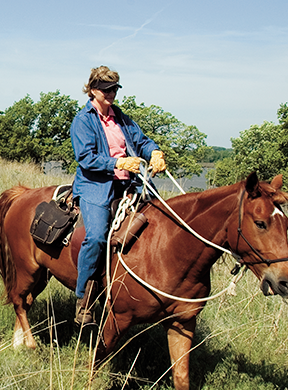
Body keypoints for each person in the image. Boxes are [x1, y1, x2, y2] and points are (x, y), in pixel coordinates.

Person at [69, 65, 167, 326]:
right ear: (93, 91)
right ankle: (83, 300)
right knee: (98, 237)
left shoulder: (120, 117)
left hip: (129, 184)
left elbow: (142, 141)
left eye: (115, 89)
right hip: (95, 186)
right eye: (106, 90)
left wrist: (154, 153)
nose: (112, 94)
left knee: (163, 221)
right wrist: (117, 164)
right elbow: (86, 158)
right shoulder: (83, 120)